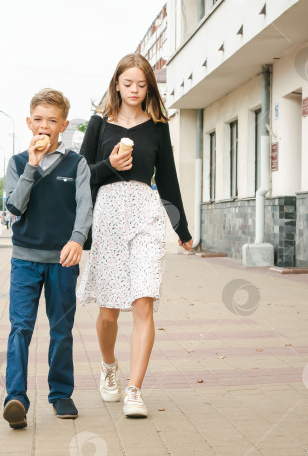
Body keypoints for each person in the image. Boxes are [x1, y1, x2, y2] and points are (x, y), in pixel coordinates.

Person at [76, 54, 193, 418]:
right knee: (109, 312)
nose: (134, 91)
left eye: (141, 85)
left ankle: (135, 389)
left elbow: (169, 179)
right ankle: (109, 367)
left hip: (145, 214)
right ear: (116, 84)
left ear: (149, 88)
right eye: (128, 84)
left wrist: (182, 229)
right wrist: (109, 166)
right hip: (108, 216)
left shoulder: (158, 126)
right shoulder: (99, 125)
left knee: (144, 300)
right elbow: (81, 176)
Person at [1, 88, 92, 429]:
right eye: (38, 120)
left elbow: (85, 206)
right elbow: (14, 206)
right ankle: (16, 398)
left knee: (61, 329)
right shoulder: (18, 163)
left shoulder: (76, 163)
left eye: (52, 121)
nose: (44, 126)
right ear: (29, 122)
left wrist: (78, 239)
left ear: (63, 125)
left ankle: (60, 394)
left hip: (63, 261)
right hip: (24, 260)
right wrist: (33, 166)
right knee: (20, 328)